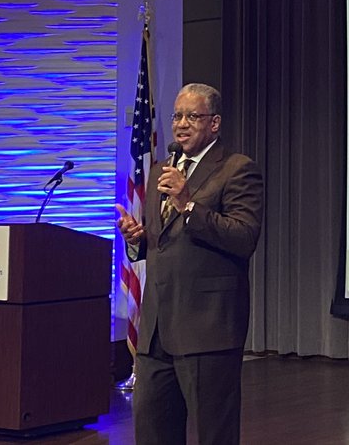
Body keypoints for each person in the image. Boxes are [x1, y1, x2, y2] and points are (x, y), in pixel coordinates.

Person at [116, 83, 263, 445]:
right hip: (156, 331)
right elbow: (165, 242)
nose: (181, 124)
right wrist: (139, 239)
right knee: (152, 431)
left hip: (207, 328)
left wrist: (188, 203)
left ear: (214, 123)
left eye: (192, 116)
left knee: (214, 434)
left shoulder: (236, 169)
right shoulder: (161, 169)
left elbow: (244, 238)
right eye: (177, 116)